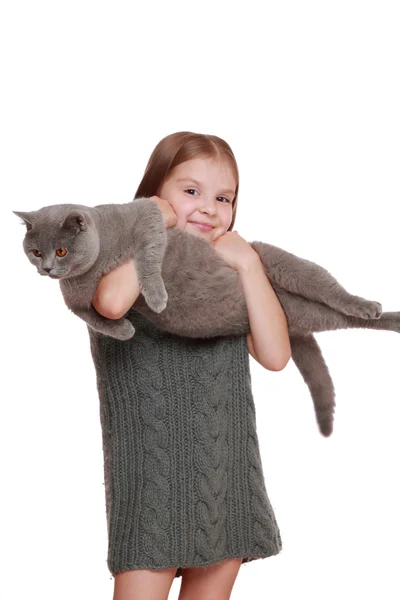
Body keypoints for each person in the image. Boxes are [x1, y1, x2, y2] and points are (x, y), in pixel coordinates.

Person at [90, 131, 291, 600]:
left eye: (224, 198)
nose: (209, 208)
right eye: (191, 191)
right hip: (151, 480)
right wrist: (151, 222)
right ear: (156, 192)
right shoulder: (120, 255)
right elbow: (113, 303)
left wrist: (249, 265)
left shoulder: (225, 272)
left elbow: (276, 356)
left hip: (225, 474)